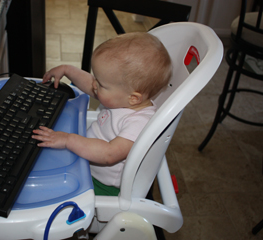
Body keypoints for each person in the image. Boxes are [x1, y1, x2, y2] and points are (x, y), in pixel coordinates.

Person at [32, 32, 172, 196]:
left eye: (102, 84)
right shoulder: (121, 97)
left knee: (54, 193)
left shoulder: (139, 123)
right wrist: (67, 70)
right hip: (87, 160)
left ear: (133, 98)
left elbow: (109, 154)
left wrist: (67, 140)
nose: (94, 85)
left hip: (102, 185)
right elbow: (90, 84)